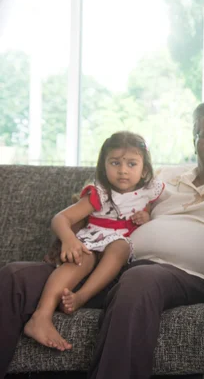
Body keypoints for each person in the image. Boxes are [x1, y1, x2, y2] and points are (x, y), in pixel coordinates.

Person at [0, 100, 204, 379]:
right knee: (15, 277)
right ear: (195, 138)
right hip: (115, 267)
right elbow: (107, 197)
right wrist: (73, 234)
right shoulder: (165, 176)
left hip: (186, 277)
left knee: (139, 280)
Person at [23, 131, 164, 352]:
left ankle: (80, 297)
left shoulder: (148, 193)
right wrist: (69, 240)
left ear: (144, 169)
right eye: (115, 162)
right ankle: (41, 316)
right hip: (92, 237)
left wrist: (146, 216)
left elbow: (152, 212)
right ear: (104, 165)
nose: (123, 170)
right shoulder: (100, 194)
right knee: (81, 259)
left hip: (117, 245)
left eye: (131, 164)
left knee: (120, 246)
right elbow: (61, 219)